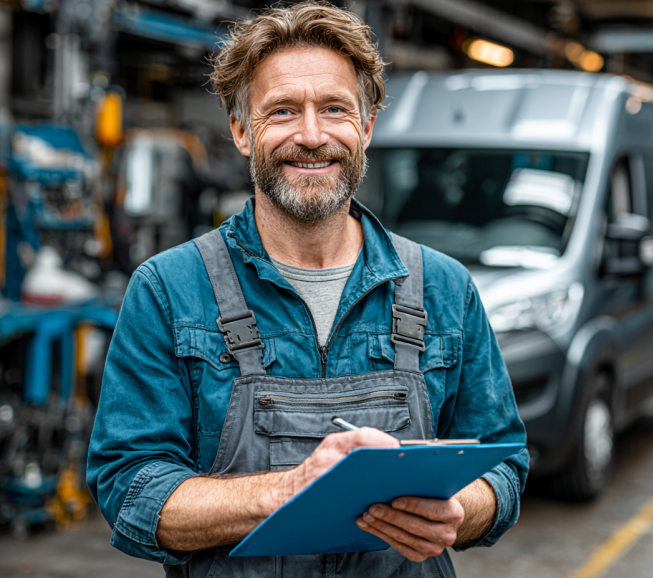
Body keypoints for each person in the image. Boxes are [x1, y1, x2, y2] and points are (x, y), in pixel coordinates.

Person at [86, 2, 528, 576]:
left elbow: (504, 465)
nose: (313, 135)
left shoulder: (444, 288)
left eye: (335, 109)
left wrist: (459, 510)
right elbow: (128, 488)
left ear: (366, 129)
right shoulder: (169, 291)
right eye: (283, 111)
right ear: (242, 132)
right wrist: (285, 490)